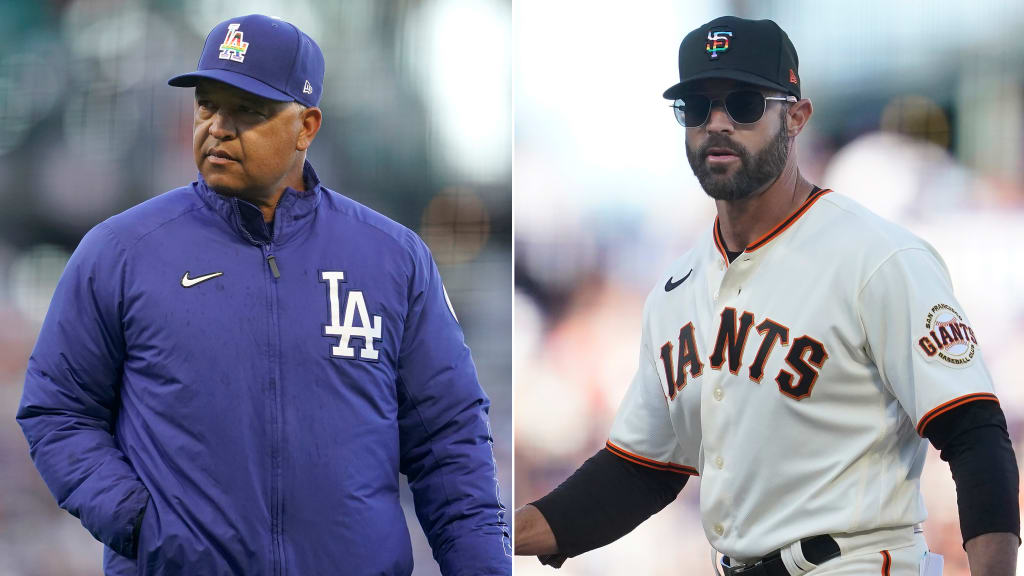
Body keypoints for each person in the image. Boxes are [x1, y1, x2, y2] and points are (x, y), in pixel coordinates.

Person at [514, 15, 1018, 576]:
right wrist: (501, 531)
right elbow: (641, 470)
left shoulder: (879, 258)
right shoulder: (674, 290)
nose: (719, 123)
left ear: (797, 116)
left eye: (745, 104)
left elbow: (974, 435)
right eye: (698, 108)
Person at [17, 14, 511, 576]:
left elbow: (449, 440)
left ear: (307, 126)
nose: (218, 128)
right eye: (207, 105)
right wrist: (139, 523)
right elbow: (57, 410)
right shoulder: (121, 251)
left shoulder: (392, 259)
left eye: (247, 111)